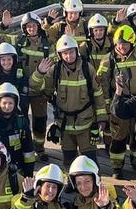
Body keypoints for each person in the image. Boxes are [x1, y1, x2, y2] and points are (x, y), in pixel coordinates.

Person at [31, 35, 107, 166]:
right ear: (60, 55)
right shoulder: (54, 71)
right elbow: (37, 87)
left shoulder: (87, 69)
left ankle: (94, 184)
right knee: (68, 161)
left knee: (90, 161)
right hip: (64, 125)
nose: (68, 56)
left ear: (76, 51)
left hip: (86, 124)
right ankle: (71, 185)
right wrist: (39, 72)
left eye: (71, 52)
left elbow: (98, 94)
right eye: (65, 53)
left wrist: (101, 117)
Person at [0, 10, 52, 156]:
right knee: (22, 120)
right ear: (24, 28)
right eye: (28, 26)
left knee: (40, 121)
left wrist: (49, 91)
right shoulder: (18, 41)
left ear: (39, 26)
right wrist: (3, 25)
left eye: (33, 26)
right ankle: (24, 147)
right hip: (21, 89)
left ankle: (39, 148)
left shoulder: (47, 45)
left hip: (39, 91)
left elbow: (52, 72)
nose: (31, 29)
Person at [97, 25, 136, 176]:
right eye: (119, 44)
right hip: (119, 102)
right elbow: (101, 84)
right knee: (118, 136)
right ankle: (116, 167)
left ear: (132, 43)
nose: (122, 47)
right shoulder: (108, 60)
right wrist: (108, 105)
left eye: (125, 44)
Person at [0, 83, 36, 176]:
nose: (7, 106)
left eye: (10, 103)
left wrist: (28, 174)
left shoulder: (21, 122)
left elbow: (28, 149)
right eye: (4, 103)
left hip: (16, 168)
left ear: (15, 104)